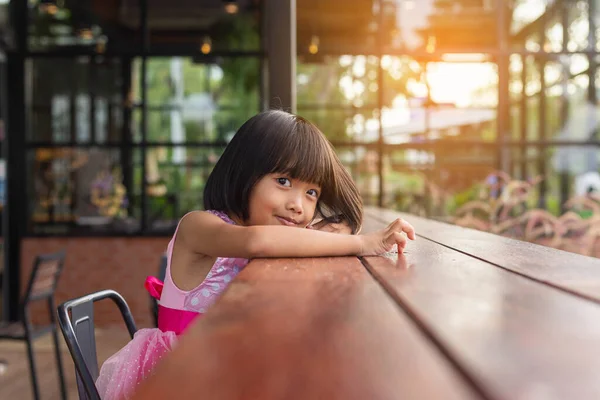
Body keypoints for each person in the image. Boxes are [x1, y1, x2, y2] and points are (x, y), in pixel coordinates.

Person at [95, 110, 415, 399]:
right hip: (185, 374)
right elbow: (255, 242)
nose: (297, 204)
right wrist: (365, 244)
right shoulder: (199, 226)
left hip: (227, 365)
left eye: (312, 192)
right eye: (283, 181)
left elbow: (339, 224)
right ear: (244, 172)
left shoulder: (272, 234)